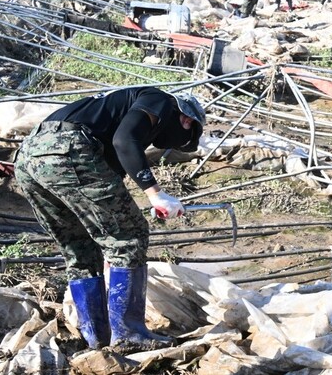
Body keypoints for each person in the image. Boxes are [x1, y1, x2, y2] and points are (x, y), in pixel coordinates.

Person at [13, 88, 205, 352]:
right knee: (130, 236)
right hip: (69, 148)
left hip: (28, 157)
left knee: (80, 246)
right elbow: (125, 140)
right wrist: (156, 194)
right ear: (187, 121)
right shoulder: (162, 101)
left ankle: (96, 337)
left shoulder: (113, 113)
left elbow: (105, 186)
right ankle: (129, 334)